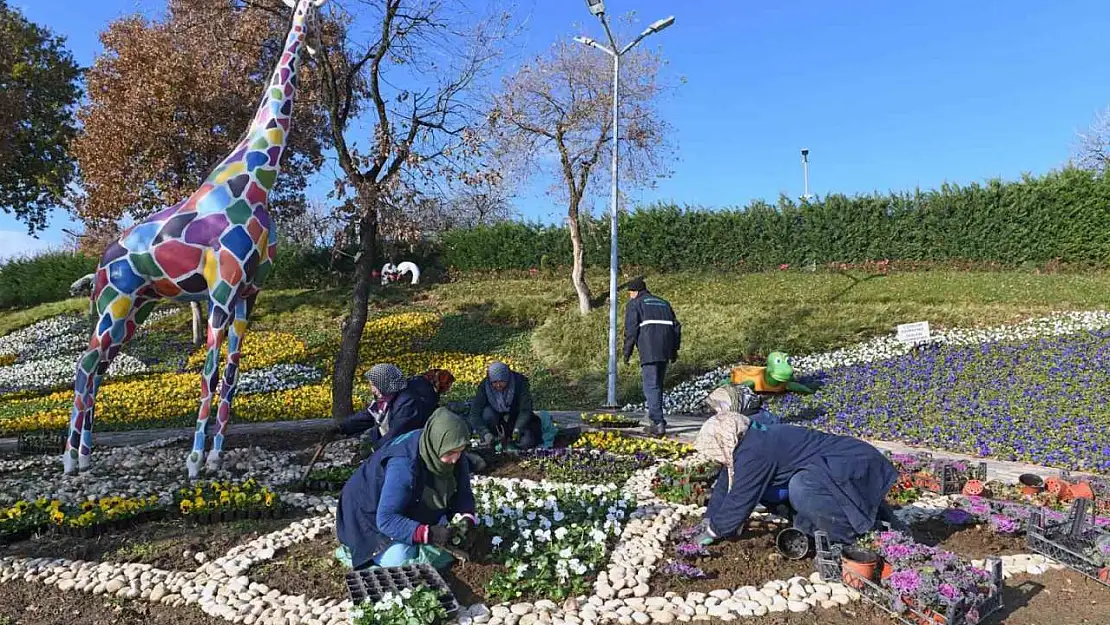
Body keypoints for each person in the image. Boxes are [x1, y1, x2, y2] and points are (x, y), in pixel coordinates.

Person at [690, 405, 900, 547]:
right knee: (784, 488)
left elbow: (741, 498)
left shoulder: (755, 451)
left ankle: (847, 540)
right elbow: (726, 484)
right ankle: (815, 530)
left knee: (802, 488)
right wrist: (710, 517)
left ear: (724, 439)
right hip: (838, 467)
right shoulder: (746, 442)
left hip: (852, 465)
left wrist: (714, 531)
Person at [335, 408, 477, 570]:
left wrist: (468, 518)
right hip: (366, 514)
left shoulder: (449, 448)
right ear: (437, 442)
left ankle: (418, 536)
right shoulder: (403, 464)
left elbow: (464, 492)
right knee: (400, 559)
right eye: (451, 453)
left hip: (399, 503)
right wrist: (429, 534)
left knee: (444, 531)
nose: (455, 459)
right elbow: (386, 519)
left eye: (460, 452)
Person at [337, 363, 439, 457]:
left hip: (407, 453)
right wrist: (341, 427)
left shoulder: (408, 403)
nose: (372, 390)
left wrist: (373, 450)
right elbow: (368, 415)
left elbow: (397, 433)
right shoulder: (387, 398)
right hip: (393, 449)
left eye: (374, 385)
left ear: (384, 383)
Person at [622, 277, 681, 436]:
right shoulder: (663, 303)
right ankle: (656, 419)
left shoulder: (635, 304)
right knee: (658, 386)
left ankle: (657, 422)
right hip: (665, 350)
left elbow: (631, 330)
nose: (629, 296)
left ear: (634, 292)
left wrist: (627, 353)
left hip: (649, 351)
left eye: (629, 293)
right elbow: (676, 327)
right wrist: (674, 350)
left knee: (651, 386)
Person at [469, 361, 541, 450]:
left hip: (516, 419)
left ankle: (512, 438)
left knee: (526, 442)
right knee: (487, 414)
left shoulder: (520, 382)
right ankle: (494, 438)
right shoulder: (485, 386)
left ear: (507, 378)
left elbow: (525, 410)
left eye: (502, 381)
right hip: (495, 422)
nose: (498, 385)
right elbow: (474, 414)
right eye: (494, 382)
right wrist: (485, 433)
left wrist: (518, 428)